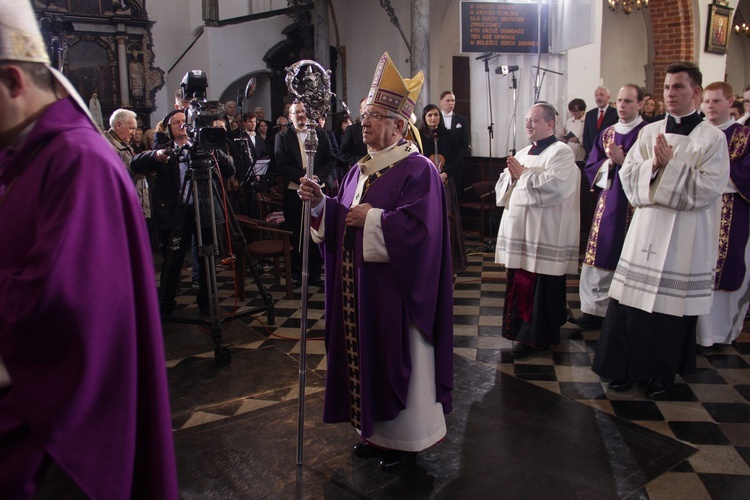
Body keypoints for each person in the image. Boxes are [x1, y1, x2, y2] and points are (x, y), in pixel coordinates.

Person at [0, 1, 178, 497]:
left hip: (64, 436)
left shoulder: (78, 161)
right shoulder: (24, 157)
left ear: (14, 82)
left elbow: (61, 306)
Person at [298, 52, 453, 472]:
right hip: (359, 292)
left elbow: (424, 235)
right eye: (365, 115)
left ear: (400, 127)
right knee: (364, 358)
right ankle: (375, 434)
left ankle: (407, 441)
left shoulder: (417, 170)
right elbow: (340, 219)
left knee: (396, 360)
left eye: (376, 116)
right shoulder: (357, 171)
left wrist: (376, 221)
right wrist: (320, 207)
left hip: (396, 296)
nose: (364, 122)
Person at [592, 62, 729, 400]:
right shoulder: (650, 132)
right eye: (667, 87)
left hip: (684, 235)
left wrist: (672, 166)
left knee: (668, 309)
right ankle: (623, 369)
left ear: (695, 93)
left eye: (679, 87)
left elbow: (709, 189)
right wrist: (652, 165)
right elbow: (629, 176)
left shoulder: (712, 139)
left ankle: (659, 374)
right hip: (647, 229)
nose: (671, 93)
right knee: (630, 304)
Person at [494, 103, 581, 359]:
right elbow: (504, 186)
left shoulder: (561, 153)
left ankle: (538, 337)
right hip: (522, 233)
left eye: (534, 120)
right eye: (527, 120)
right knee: (521, 283)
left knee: (542, 287)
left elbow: (555, 188)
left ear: (550, 124)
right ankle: (520, 332)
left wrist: (522, 177)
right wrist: (511, 178)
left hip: (545, 234)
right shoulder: (522, 152)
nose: (528, 125)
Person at [131, 110, 235, 316]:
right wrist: (156, 156)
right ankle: (166, 303)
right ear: (169, 127)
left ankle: (206, 302)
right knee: (173, 260)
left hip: (203, 210)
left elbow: (229, 170)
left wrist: (211, 148)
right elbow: (136, 164)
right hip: (176, 212)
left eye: (184, 122)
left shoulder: (204, 148)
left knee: (207, 259)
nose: (181, 125)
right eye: (176, 122)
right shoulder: (165, 150)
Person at [569, 84, 647, 330]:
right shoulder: (608, 133)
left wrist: (626, 164)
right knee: (599, 253)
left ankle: (624, 313)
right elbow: (592, 164)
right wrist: (610, 165)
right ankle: (593, 311)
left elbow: (655, 169)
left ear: (640, 104)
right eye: (620, 101)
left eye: (628, 102)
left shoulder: (648, 132)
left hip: (637, 205)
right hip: (610, 200)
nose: (622, 106)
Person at [696, 82, 750, 347]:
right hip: (697, 209)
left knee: (724, 267)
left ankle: (717, 332)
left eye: (716, 101)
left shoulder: (745, 136)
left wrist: (713, 174)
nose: (710, 107)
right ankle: (692, 332)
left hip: (730, 208)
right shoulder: (696, 133)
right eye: (706, 101)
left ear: (731, 102)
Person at [275, 101, 335, 286]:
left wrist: (316, 178)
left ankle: (315, 273)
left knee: (316, 231)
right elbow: (281, 164)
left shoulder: (321, 134)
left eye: (303, 111)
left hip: (317, 191)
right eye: (296, 112)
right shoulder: (282, 136)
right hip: (295, 191)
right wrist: (304, 178)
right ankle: (296, 273)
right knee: (296, 232)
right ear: (290, 116)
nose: (301, 115)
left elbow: (331, 159)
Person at [419, 103, 468, 273]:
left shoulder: (449, 136)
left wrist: (445, 173)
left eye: (436, 115)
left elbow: (457, 158)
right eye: (430, 115)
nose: (433, 118)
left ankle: (450, 259)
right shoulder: (419, 136)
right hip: (426, 183)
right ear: (424, 118)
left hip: (446, 180)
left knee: (448, 216)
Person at [582, 86, 618, 161]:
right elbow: (586, 135)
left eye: (601, 95)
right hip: (591, 155)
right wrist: (590, 152)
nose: (598, 97)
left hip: (608, 156)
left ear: (608, 97)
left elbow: (616, 136)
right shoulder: (590, 114)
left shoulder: (616, 113)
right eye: (596, 95)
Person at [338, 96, 368, 170]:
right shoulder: (352, 130)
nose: (368, 112)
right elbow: (342, 155)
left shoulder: (379, 129)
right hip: (359, 170)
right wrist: (363, 161)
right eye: (365, 108)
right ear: (360, 111)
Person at [439, 90, 470, 159]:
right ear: (440, 102)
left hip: (457, 160)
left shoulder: (462, 120)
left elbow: (465, 142)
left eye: (453, 101)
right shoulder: (436, 119)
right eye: (448, 101)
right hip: (439, 159)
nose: (451, 103)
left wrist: (459, 158)